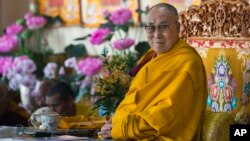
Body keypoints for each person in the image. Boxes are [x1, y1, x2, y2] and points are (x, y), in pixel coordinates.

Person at [98, 3, 208, 140]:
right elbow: (134, 101)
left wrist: (123, 128)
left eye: (163, 27)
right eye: (151, 27)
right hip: (132, 131)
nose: (157, 34)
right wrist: (114, 122)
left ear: (178, 28)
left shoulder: (187, 63)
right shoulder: (151, 56)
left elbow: (166, 114)